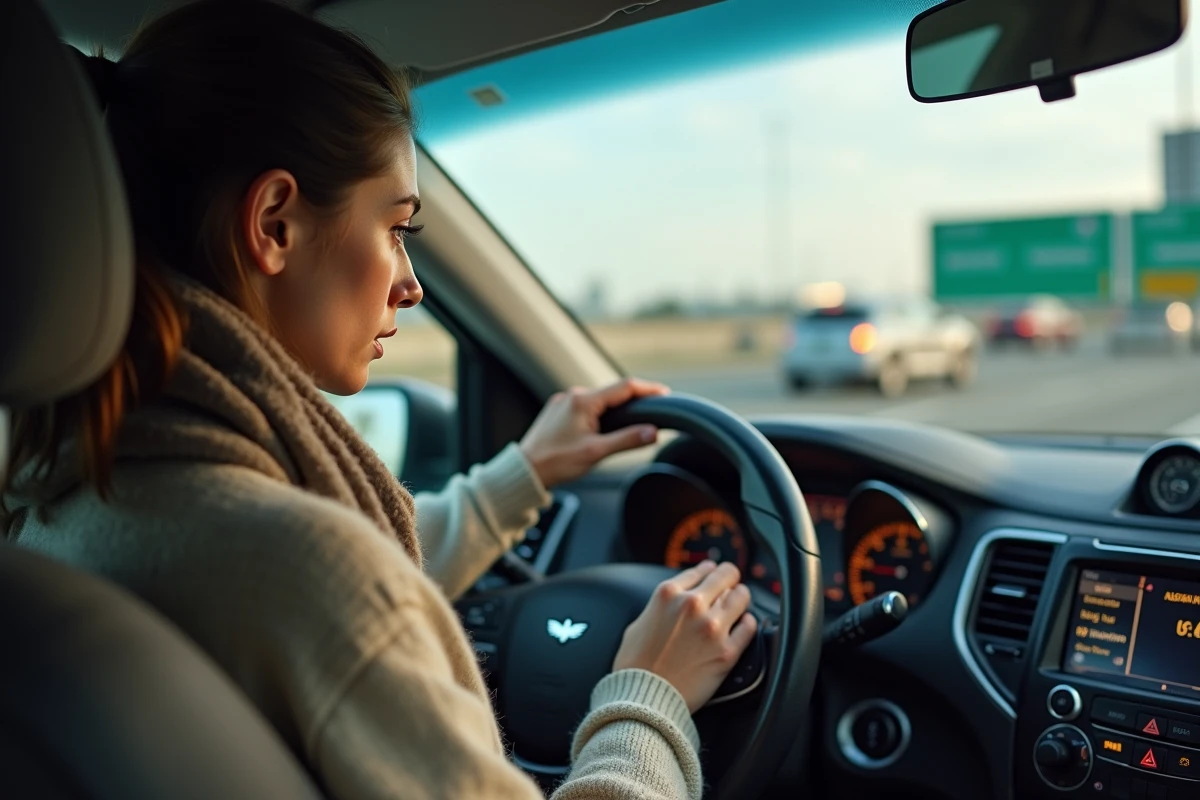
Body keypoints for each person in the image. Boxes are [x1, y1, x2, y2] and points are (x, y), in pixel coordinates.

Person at [0, 1, 758, 798]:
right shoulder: (310, 578)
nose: (411, 283)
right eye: (396, 227)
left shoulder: (65, 498)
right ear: (275, 223)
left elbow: (333, 571)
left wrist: (526, 472)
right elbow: (340, 586)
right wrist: (648, 695)